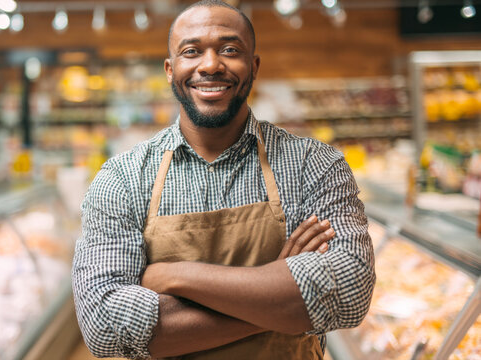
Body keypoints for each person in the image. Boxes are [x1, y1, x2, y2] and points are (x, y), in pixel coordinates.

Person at [72, 0, 375, 358]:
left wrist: (175, 275)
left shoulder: (314, 164)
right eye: (192, 51)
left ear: (254, 66)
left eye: (230, 50)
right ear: (170, 69)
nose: (211, 64)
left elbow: (350, 294)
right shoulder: (122, 178)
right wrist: (281, 302)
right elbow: (104, 328)